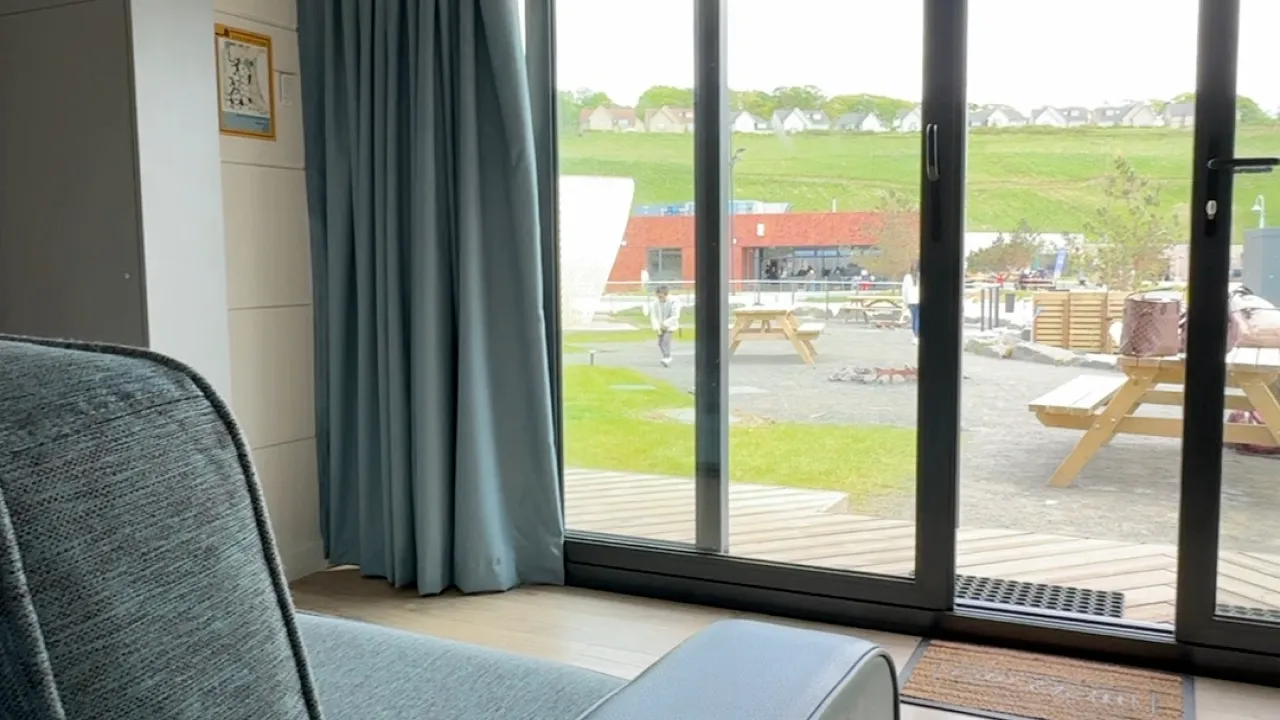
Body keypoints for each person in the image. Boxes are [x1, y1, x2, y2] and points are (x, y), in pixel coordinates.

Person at [648, 285, 681, 367]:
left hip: (670, 325)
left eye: (661, 296)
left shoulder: (674, 302)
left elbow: (675, 316)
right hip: (660, 325)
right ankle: (666, 357)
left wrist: (665, 324)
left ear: (666, 294)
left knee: (665, 341)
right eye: (658, 296)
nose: (660, 298)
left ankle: (668, 357)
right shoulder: (655, 303)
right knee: (660, 343)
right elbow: (653, 316)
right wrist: (657, 327)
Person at [902, 262, 921, 345]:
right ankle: (917, 336)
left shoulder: (907, 277)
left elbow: (904, 291)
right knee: (918, 318)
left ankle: (915, 336)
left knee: (914, 318)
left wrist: (905, 301)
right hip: (919, 299)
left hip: (911, 300)